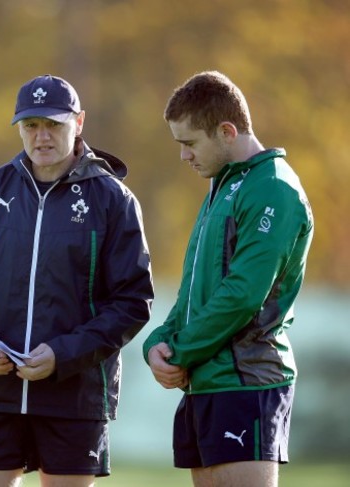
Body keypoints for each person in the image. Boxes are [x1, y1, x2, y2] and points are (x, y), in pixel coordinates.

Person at [0, 74, 154, 487]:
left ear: (79, 122)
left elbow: (132, 302)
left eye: (53, 124)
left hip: (75, 394)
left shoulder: (113, 200)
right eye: (31, 126)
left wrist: (64, 354)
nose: (41, 137)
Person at [143, 71, 314, 487]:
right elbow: (194, 289)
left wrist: (180, 352)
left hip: (247, 383)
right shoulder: (223, 186)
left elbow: (243, 295)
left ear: (226, 130)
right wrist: (158, 341)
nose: (184, 156)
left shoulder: (273, 187)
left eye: (189, 143)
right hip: (204, 383)